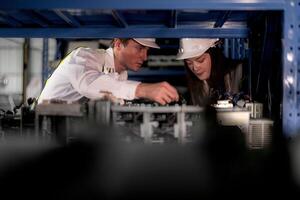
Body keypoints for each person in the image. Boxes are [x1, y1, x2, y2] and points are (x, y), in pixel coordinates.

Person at [38, 38, 179, 105]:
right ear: (118, 44)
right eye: (139, 48)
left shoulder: (122, 74)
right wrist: (142, 90)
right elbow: (90, 84)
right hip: (43, 128)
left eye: (147, 50)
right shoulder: (83, 56)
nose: (145, 56)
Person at [176, 38, 244, 106]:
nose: (195, 68)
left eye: (200, 60)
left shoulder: (235, 73)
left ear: (214, 55)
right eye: (189, 63)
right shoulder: (196, 85)